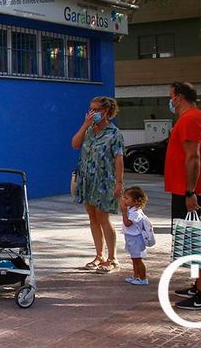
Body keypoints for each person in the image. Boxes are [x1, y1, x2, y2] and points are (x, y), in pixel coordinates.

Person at [165, 81, 201, 310]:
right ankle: (198, 285)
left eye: (171, 97)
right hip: (188, 188)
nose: (170, 101)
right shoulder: (193, 117)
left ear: (179, 97)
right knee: (190, 238)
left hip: (192, 189)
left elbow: (193, 157)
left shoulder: (190, 119)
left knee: (196, 240)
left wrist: (190, 192)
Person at [71, 96, 125, 273]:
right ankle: (99, 255)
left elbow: (118, 159)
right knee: (92, 217)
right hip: (87, 180)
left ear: (106, 111)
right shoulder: (89, 130)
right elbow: (75, 144)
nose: (92, 113)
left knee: (103, 218)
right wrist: (85, 124)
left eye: (96, 110)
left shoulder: (114, 133)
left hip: (104, 181)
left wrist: (119, 183)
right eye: (91, 109)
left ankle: (112, 258)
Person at [121, 186, 150, 286]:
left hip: (136, 239)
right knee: (134, 258)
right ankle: (136, 276)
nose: (124, 200)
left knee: (138, 259)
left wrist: (124, 212)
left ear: (136, 201)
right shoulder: (131, 209)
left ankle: (143, 278)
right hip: (130, 237)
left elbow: (127, 223)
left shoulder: (136, 213)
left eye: (126, 198)